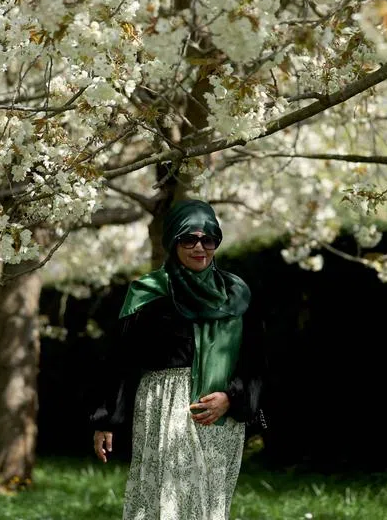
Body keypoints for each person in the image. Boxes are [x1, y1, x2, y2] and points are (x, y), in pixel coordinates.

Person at [90, 199, 264, 520]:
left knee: (209, 506)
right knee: (164, 501)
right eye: (189, 239)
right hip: (163, 409)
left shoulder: (235, 294)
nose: (199, 247)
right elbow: (121, 360)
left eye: (208, 239)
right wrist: (106, 421)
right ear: (173, 242)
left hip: (219, 415)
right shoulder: (148, 293)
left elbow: (254, 359)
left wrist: (232, 398)